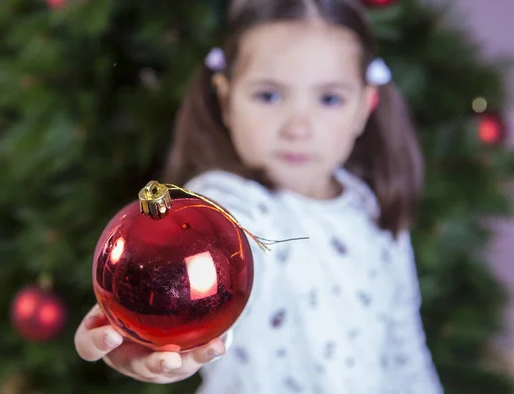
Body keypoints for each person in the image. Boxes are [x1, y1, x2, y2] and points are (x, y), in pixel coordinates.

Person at [75, 0, 444, 392]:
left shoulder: (371, 207)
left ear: (364, 107)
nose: (298, 127)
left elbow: (404, 344)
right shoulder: (224, 205)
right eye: (269, 96)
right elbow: (221, 269)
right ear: (225, 98)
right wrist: (166, 329)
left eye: (329, 99)